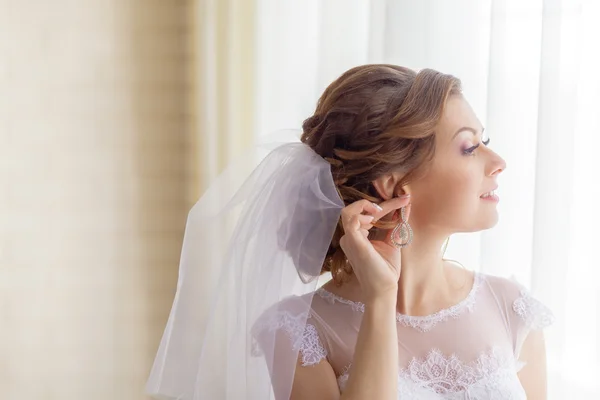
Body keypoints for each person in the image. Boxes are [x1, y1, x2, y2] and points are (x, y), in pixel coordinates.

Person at [146, 65, 555, 400]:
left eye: (484, 141)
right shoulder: (298, 331)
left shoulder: (514, 311)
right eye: (469, 147)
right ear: (395, 186)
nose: (498, 161)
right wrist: (380, 298)